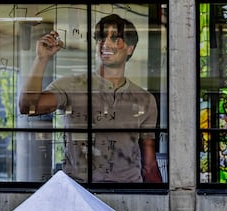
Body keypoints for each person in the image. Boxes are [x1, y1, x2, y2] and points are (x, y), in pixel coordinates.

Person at [18, 13, 161, 183]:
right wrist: (42, 59)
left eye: (115, 38)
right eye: (101, 37)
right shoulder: (71, 85)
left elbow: (149, 164)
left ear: (130, 48)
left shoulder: (145, 100)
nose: (106, 43)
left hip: (129, 193)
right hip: (80, 192)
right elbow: (27, 107)